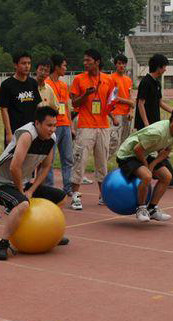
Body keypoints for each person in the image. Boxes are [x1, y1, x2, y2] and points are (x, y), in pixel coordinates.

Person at [0, 106, 70, 260]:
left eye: (54, 125)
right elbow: (14, 167)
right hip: (0, 184)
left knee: (61, 197)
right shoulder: (27, 135)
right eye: (49, 125)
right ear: (37, 123)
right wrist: (22, 193)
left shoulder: (51, 139)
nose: (52, 129)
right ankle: (2, 244)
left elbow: (46, 167)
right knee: (23, 204)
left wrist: (31, 189)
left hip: (23, 182)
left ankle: (51, 234)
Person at [116, 104, 173, 222]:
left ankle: (152, 209)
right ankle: (141, 209)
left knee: (167, 177)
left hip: (144, 153)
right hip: (128, 154)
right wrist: (146, 165)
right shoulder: (157, 132)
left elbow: (166, 151)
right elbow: (137, 149)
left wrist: (153, 164)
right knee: (147, 176)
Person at [69, 48, 117, 210]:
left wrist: (113, 115)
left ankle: (103, 195)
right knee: (80, 160)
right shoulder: (79, 79)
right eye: (84, 60)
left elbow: (111, 102)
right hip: (85, 126)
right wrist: (86, 95)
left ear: (97, 62)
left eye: (88, 60)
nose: (85, 63)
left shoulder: (108, 80)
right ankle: (75, 195)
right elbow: (74, 103)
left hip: (103, 126)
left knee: (102, 162)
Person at [134, 54, 173, 187]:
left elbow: (160, 103)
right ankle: (162, 177)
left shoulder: (156, 83)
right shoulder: (145, 82)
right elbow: (140, 103)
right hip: (146, 126)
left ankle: (168, 178)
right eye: (164, 67)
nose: (165, 70)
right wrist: (146, 124)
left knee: (162, 151)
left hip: (156, 125)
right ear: (158, 67)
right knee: (148, 152)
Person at [0, 51, 42, 146]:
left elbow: (38, 105)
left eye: (29, 63)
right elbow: (4, 109)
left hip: (32, 130)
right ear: (15, 65)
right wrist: (9, 133)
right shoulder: (7, 85)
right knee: (14, 160)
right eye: (23, 63)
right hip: (16, 131)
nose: (27, 66)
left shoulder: (33, 83)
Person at [44, 54, 74, 195]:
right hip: (52, 127)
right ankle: (49, 187)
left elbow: (66, 106)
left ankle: (68, 188)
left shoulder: (63, 85)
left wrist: (71, 126)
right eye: (63, 65)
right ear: (56, 67)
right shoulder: (46, 83)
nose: (65, 68)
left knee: (68, 158)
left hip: (65, 125)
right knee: (49, 159)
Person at [109, 54, 135, 157]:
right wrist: (129, 102)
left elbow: (130, 96)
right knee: (114, 140)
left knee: (125, 142)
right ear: (115, 65)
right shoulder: (112, 79)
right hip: (116, 113)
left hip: (127, 115)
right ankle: (104, 164)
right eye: (119, 63)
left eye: (124, 64)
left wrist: (131, 110)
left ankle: (122, 163)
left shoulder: (128, 80)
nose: (122, 66)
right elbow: (114, 98)